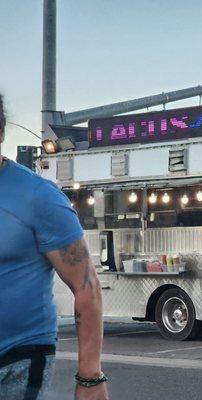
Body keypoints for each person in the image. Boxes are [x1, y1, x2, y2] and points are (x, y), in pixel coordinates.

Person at [0, 94, 109, 399]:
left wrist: (90, 377)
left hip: (17, 357)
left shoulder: (39, 197)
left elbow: (87, 286)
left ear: (0, 132)